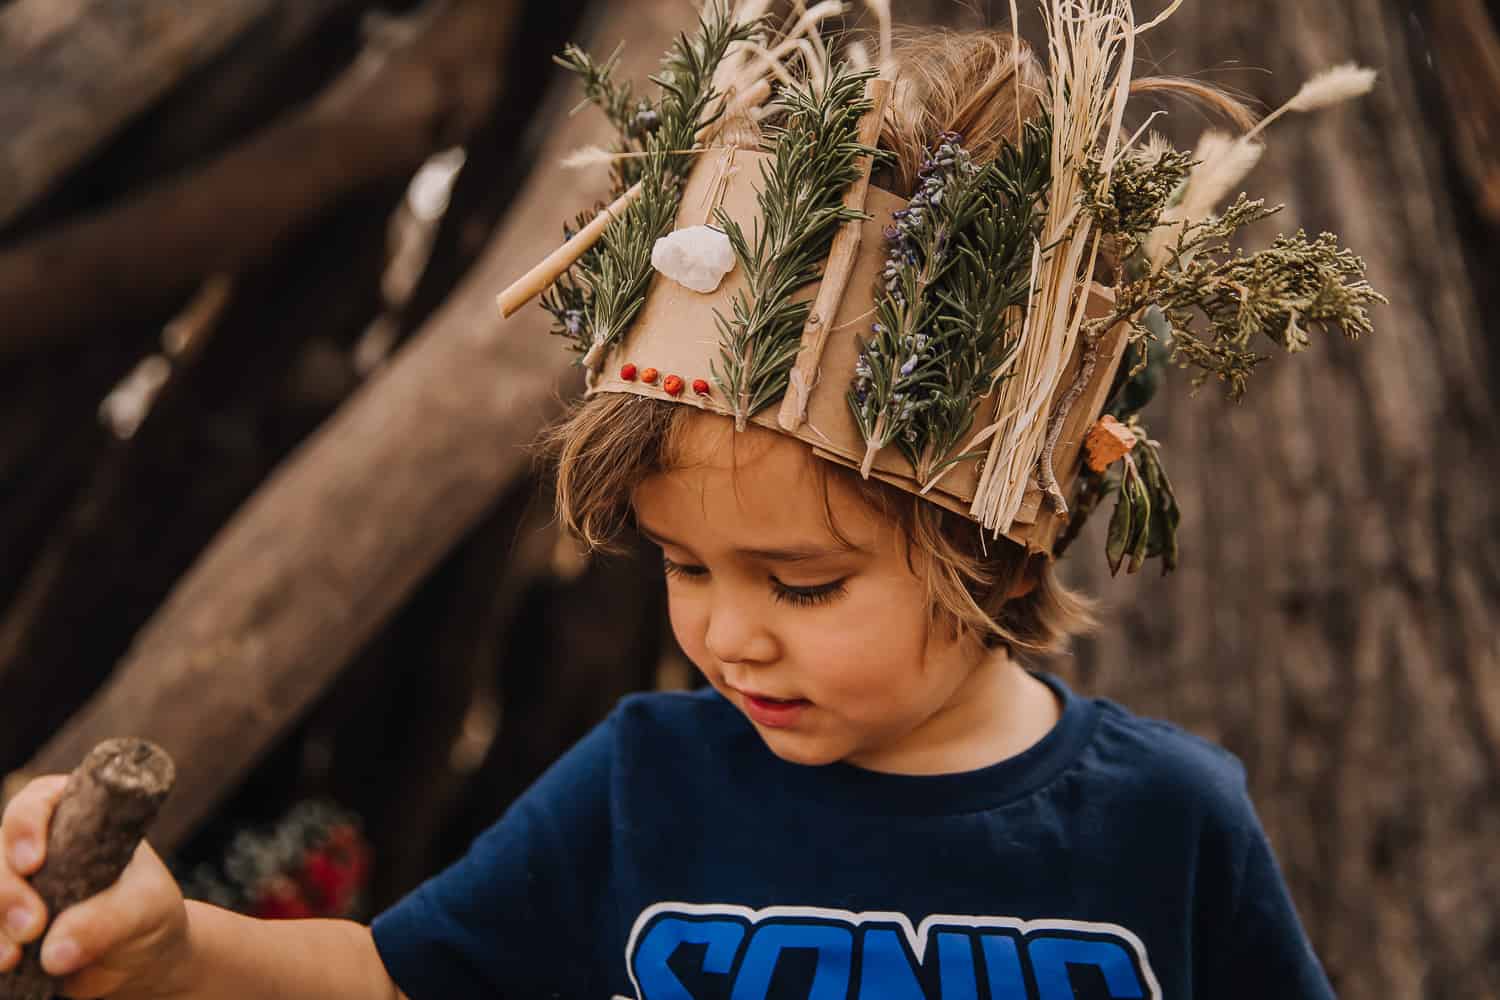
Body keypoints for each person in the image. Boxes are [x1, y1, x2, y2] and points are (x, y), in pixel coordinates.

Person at [1, 4, 1373, 996]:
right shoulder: (645, 784)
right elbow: (388, 975)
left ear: (995, 542)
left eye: (802, 581)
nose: (729, 637)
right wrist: (176, 945)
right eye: (684, 566)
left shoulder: (1170, 824)